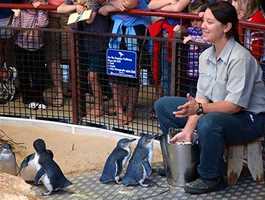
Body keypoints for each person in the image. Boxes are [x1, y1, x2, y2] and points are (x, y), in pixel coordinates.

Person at [154, 1, 265, 194]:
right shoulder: (205, 56)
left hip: (251, 118)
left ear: (227, 27)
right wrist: (189, 129)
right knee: (164, 105)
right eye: (203, 20)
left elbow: (234, 106)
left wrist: (199, 109)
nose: (202, 26)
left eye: (209, 22)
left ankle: (210, 176)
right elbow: (202, 98)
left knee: (209, 122)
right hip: (218, 111)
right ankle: (185, 163)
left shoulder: (240, 57)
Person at [99, 0, 150, 125]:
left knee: (132, 73)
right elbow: (101, 8)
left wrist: (111, 5)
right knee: (114, 70)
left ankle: (130, 111)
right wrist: (116, 4)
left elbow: (129, 4)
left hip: (135, 29)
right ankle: (119, 110)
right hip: (116, 28)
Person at [57, 0, 111, 117]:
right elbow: (60, 9)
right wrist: (76, 6)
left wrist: (76, 13)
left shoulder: (94, 1)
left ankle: (99, 106)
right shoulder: (78, 2)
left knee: (93, 76)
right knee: (87, 75)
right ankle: (97, 105)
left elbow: (89, 19)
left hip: (99, 41)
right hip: (83, 42)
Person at [13, 0, 49, 109]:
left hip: (37, 47)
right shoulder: (22, 10)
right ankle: (27, 98)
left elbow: (43, 24)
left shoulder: (41, 11)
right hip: (21, 46)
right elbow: (15, 28)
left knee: (38, 74)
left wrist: (41, 9)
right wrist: (16, 15)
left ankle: (38, 98)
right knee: (24, 73)